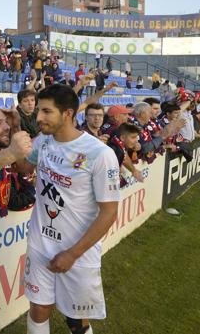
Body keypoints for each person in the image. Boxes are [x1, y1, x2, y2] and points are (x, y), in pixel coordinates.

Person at [22, 84, 120, 334]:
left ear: (67, 114)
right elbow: (25, 167)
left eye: (46, 111)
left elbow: (109, 212)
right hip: (40, 242)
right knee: (39, 308)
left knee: (77, 319)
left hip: (78, 251)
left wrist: (73, 253)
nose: (39, 117)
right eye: (38, 111)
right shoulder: (43, 141)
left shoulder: (100, 154)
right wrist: (14, 144)